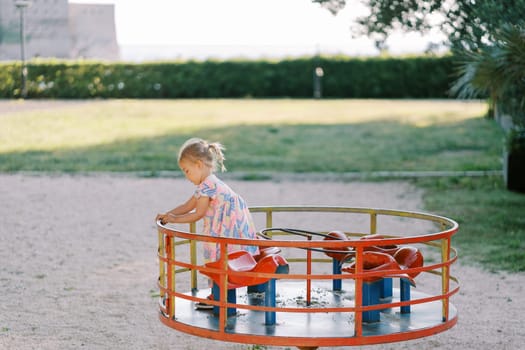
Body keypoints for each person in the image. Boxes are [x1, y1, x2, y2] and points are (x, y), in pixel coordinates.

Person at [156, 137, 258, 309]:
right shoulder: (209, 183)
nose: (186, 176)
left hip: (225, 228)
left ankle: (217, 298)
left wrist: (174, 219)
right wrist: (169, 214)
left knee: (218, 259)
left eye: (187, 171)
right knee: (220, 260)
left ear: (198, 165)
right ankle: (217, 296)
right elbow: (188, 205)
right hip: (228, 226)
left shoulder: (207, 186)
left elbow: (198, 213)